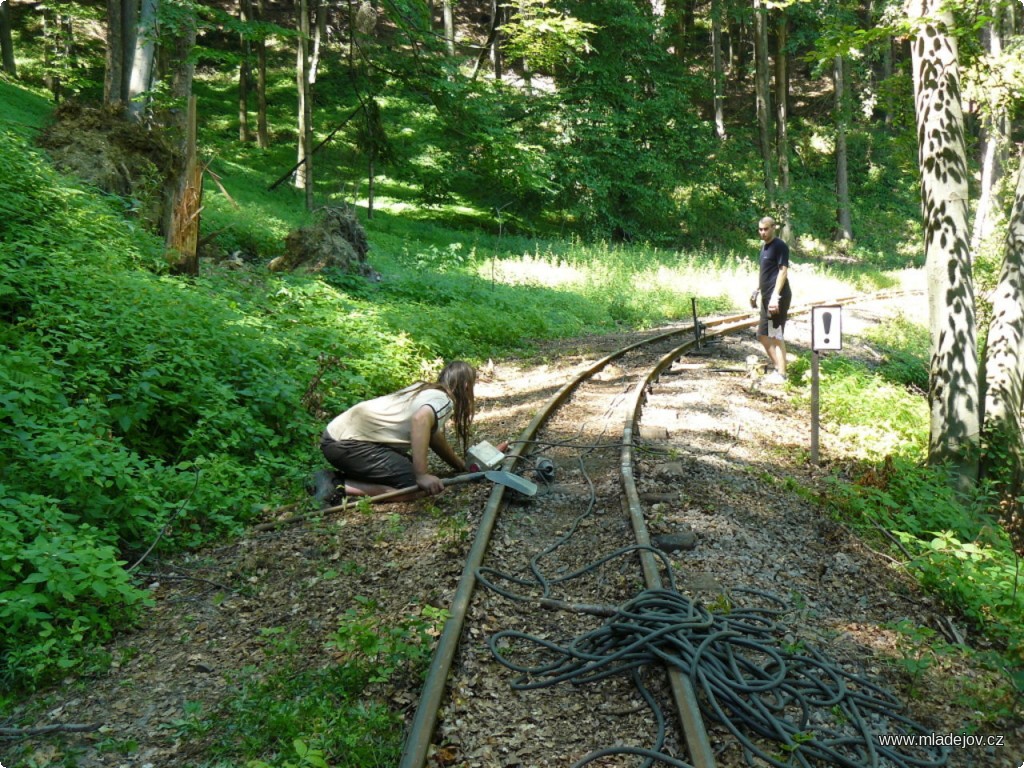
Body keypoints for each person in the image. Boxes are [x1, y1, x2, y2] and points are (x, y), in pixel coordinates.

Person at [314, 361, 476, 504]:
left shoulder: (423, 389)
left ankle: (343, 479)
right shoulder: (445, 400)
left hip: (338, 438)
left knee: (411, 475)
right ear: (467, 386)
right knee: (417, 488)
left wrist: (460, 466)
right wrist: (421, 475)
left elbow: (433, 435)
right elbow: (420, 420)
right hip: (347, 445)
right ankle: (337, 484)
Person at [749, 216, 791, 384]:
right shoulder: (764, 247)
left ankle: (782, 374)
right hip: (766, 298)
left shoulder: (780, 246)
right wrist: (757, 290)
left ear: (773, 227)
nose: (763, 232)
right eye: (760, 229)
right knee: (762, 335)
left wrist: (775, 296)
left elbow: (782, 272)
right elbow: (765, 273)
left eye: (766, 229)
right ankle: (778, 368)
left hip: (777, 298)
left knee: (776, 335)